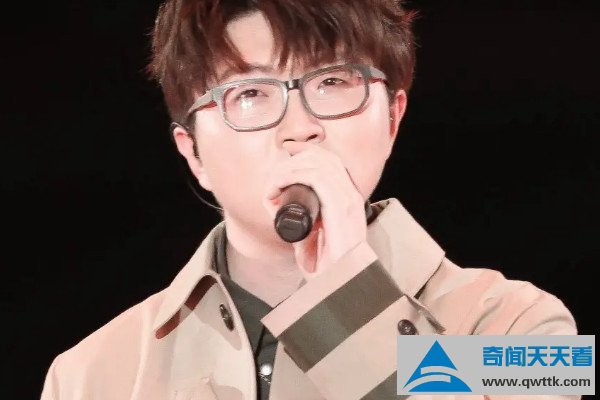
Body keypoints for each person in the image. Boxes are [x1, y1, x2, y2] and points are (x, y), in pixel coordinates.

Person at [41, 0, 578, 399]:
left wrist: (348, 296)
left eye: (334, 82)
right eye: (250, 94)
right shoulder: (87, 375)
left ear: (393, 118)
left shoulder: (531, 333)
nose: (299, 127)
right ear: (192, 151)